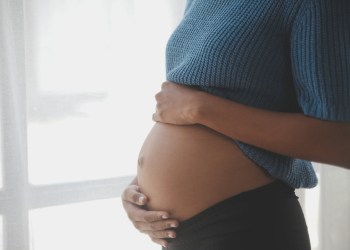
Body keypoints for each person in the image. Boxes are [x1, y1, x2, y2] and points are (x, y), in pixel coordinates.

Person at [122, 0, 350, 249]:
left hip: (244, 225)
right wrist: (142, 191)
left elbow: (340, 141)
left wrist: (200, 109)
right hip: (178, 236)